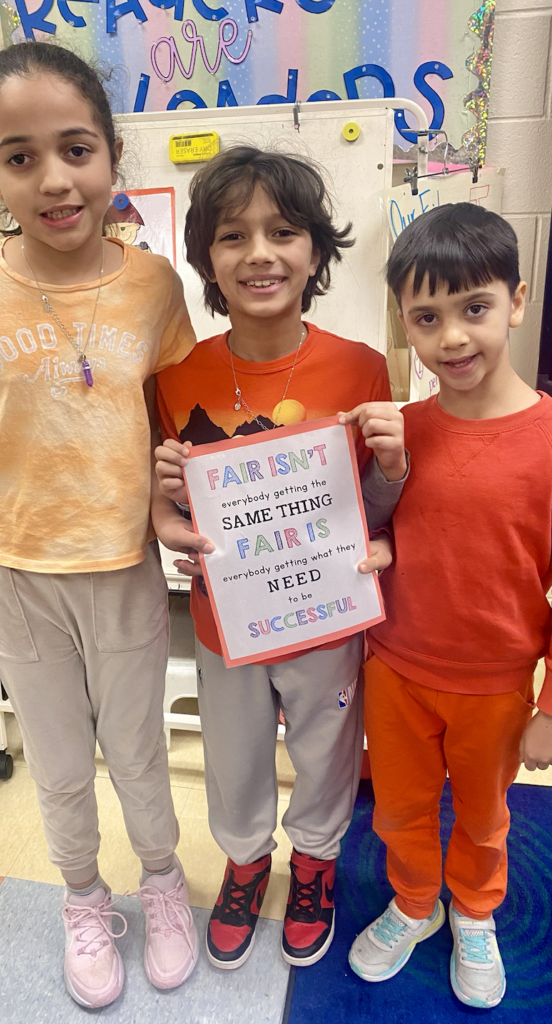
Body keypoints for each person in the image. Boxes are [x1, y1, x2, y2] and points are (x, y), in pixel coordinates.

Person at [0, 42, 199, 1009]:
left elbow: (170, 430)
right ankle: (83, 895)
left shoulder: (155, 285)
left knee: (139, 751)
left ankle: (161, 882)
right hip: (13, 578)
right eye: (19, 157)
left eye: (76, 148)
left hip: (122, 569)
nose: (54, 179)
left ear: (113, 154)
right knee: (62, 766)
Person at [346, 203, 552, 1008]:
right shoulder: (402, 431)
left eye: (475, 308)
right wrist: (378, 537)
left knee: (484, 814)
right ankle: (415, 902)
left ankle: (474, 909)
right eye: (427, 318)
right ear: (404, 327)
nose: (453, 338)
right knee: (397, 808)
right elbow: (376, 524)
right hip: (395, 669)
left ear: (519, 300)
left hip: (496, 686)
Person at [152, 146, 404, 971]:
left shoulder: (364, 366)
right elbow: (184, 504)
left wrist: (388, 502)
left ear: (316, 252)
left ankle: (317, 864)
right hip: (229, 613)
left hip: (328, 612)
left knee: (329, 746)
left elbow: (373, 505)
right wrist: (170, 500)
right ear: (207, 261)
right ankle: (245, 858)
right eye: (233, 236)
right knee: (232, 747)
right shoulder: (177, 374)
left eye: (283, 231)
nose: (259, 252)